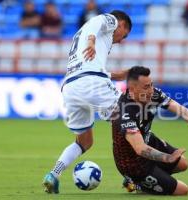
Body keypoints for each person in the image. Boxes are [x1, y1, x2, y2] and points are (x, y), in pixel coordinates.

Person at [42, 10, 132, 194]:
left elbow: (86, 66)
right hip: (92, 83)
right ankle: (131, 177)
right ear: (121, 24)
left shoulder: (81, 35)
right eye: (126, 34)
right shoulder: (110, 20)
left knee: (85, 141)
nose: (122, 40)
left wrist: (116, 75)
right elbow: (97, 20)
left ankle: (53, 174)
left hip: (71, 87)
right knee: (129, 121)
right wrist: (91, 41)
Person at [111, 66, 188, 195]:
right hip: (132, 162)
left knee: (183, 164)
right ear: (132, 89)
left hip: (148, 140)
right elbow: (140, 148)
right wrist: (166, 157)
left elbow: (176, 106)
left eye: (151, 85)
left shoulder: (152, 94)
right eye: (146, 87)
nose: (151, 90)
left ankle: (151, 179)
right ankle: (137, 183)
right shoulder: (124, 112)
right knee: (183, 191)